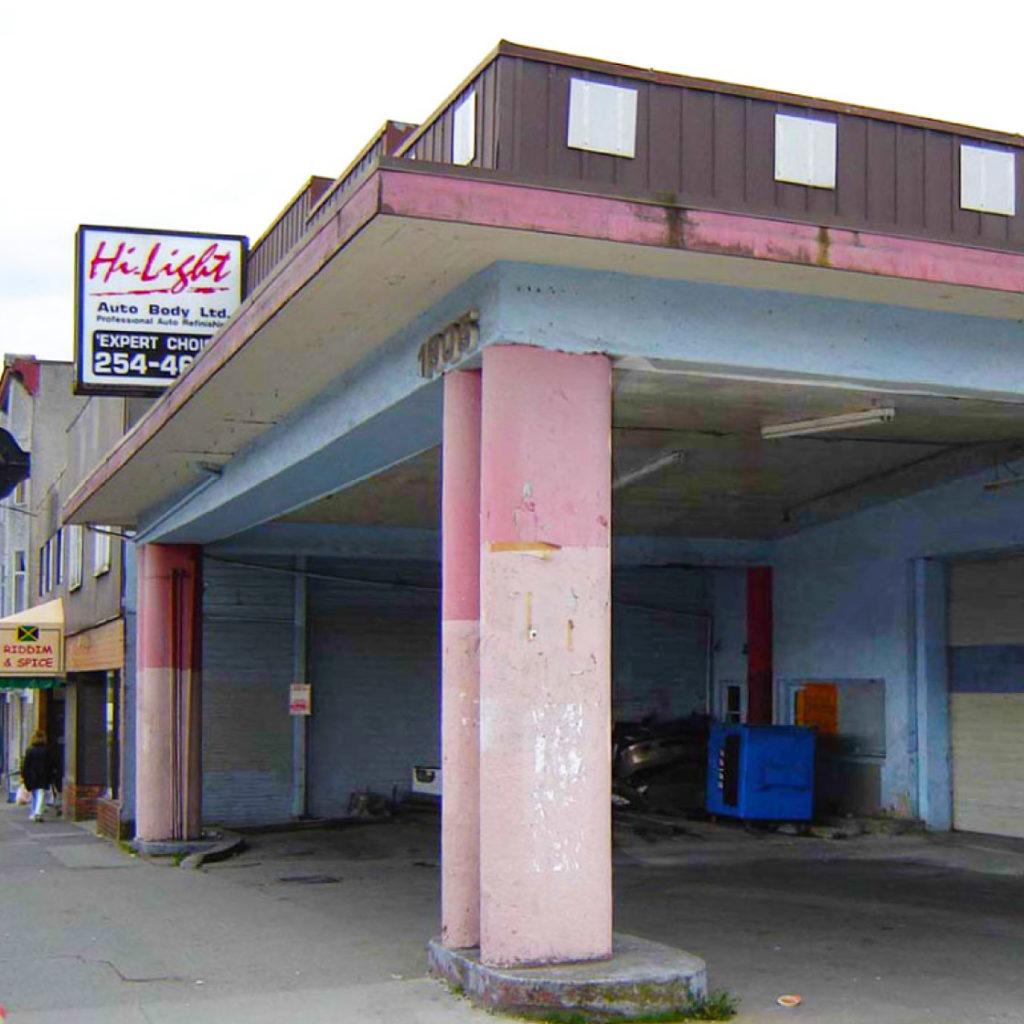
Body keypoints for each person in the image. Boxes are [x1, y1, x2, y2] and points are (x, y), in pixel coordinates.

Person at [20, 731, 52, 822]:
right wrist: (51, 777)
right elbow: (50, 765)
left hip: (31, 776)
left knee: (34, 794)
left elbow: (25, 765)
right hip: (43, 775)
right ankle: (38, 813)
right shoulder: (46, 750)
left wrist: (24, 776)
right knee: (40, 794)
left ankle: (34, 812)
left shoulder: (29, 750)